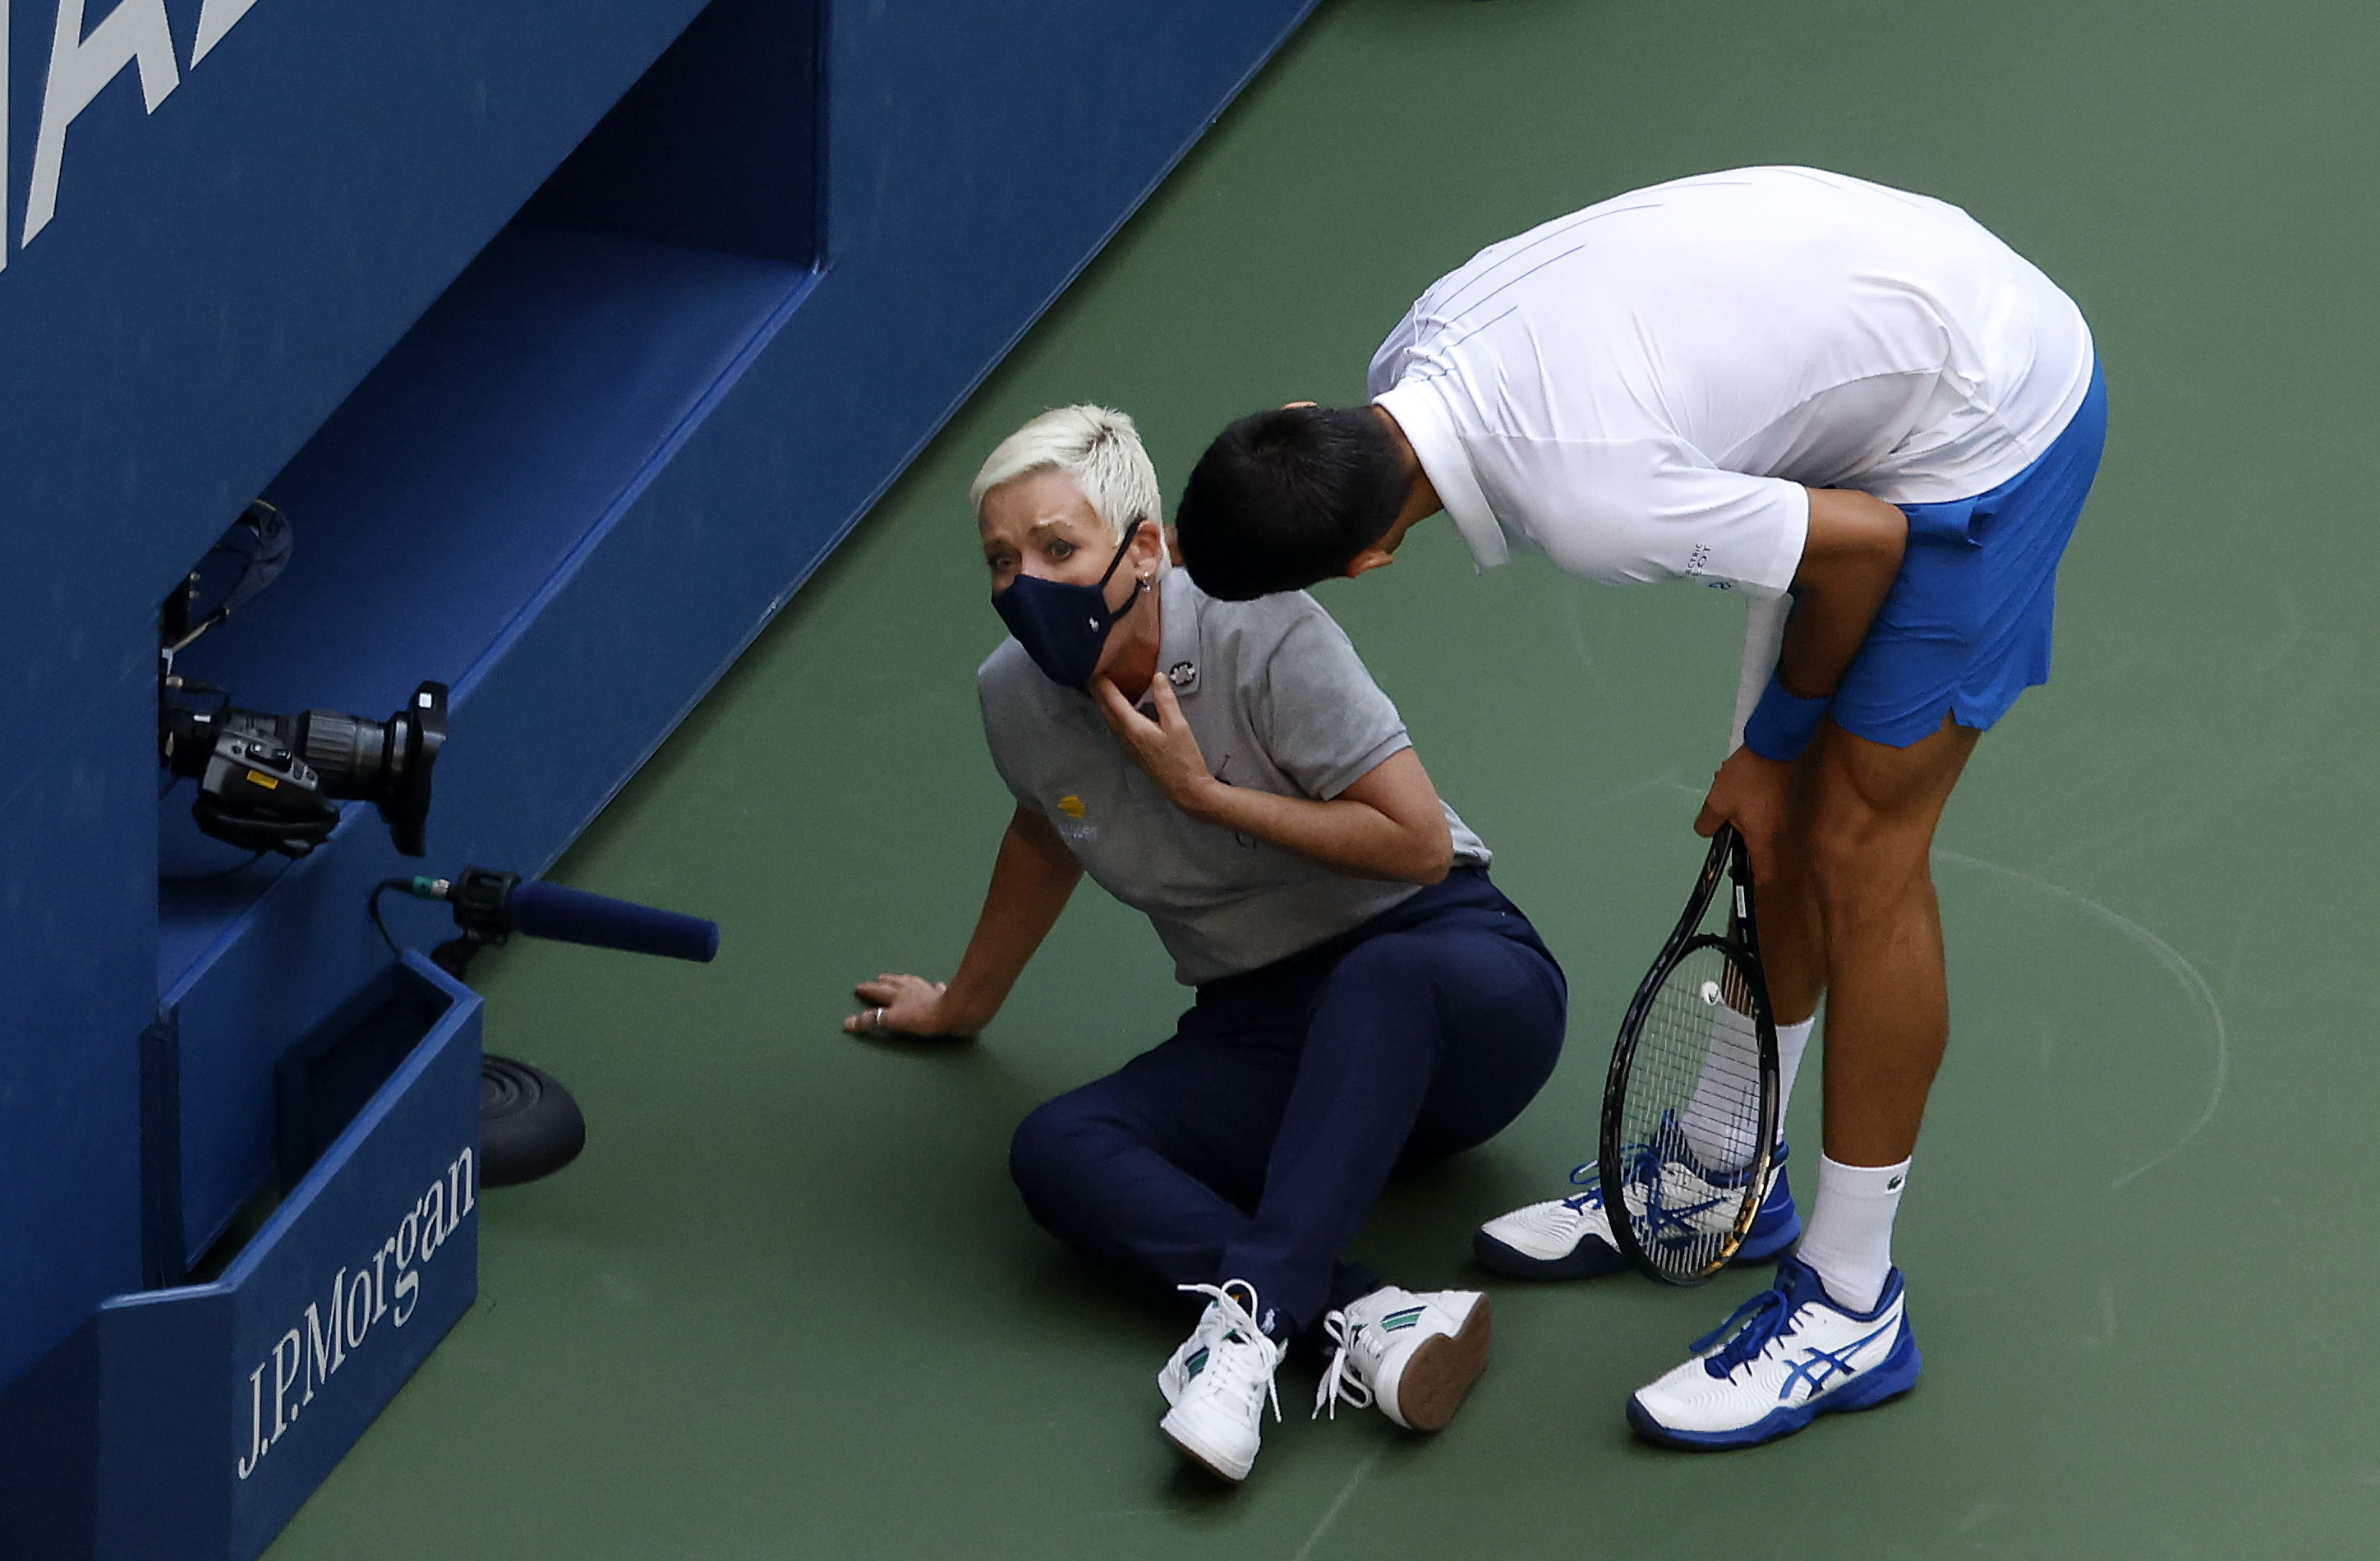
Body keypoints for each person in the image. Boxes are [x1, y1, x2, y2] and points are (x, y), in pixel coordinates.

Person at [1174, 167, 2105, 1450]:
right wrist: (1765, 757)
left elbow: (1865, 549)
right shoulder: (1419, 340)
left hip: (1989, 413)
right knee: (1770, 829)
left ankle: (1849, 1304)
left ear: (1367, 560)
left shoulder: (1592, 504)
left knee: (1854, 848)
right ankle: (1731, 1164)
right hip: (1886, 322)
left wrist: (1777, 748)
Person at [847, 403, 1566, 1483]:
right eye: (1003, 560)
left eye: (1057, 548)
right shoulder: (1016, 698)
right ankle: (1370, 1314)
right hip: (1268, 1030)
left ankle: (1249, 1335)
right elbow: (1044, 837)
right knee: (1060, 1150)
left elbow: (1416, 847)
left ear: (1144, 547)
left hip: (1453, 983)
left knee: (1383, 977)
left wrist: (1201, 793)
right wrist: (963, 1005)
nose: (1026, 583)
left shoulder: (1262, 630)